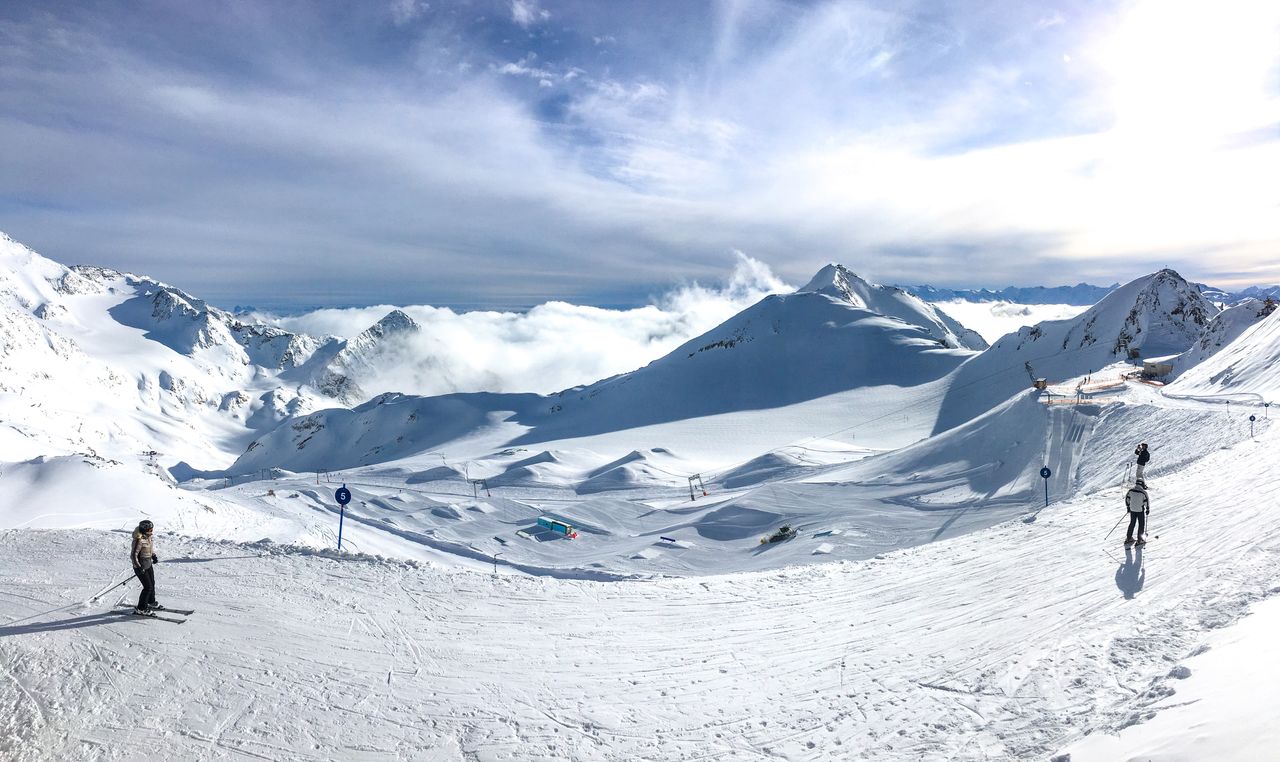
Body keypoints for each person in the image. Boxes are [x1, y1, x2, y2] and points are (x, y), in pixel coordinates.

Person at [131, 519, 161, 613]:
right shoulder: (139, 540)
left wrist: (153, 555)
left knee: (152, 584)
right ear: (145, 529)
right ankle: (141, 608)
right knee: (147, 587)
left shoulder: (148, 537)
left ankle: (150, 602)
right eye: (150, 529)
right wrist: (139, 567)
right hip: (140, 567)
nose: (152, 531)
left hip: (148, 564)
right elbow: (133, 555)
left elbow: (149, 549)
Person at [1124, 480, 1149, 547]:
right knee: (1141, 524)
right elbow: (1146, 501)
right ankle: (1140, 540)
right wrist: (1147, 509)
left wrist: (1128, 507)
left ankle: (1128, 538)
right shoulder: (1143, 492)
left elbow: (1127, 499)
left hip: (1132, 510)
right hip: (1140, 511)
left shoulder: (1131, 491)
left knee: (1132, 523)